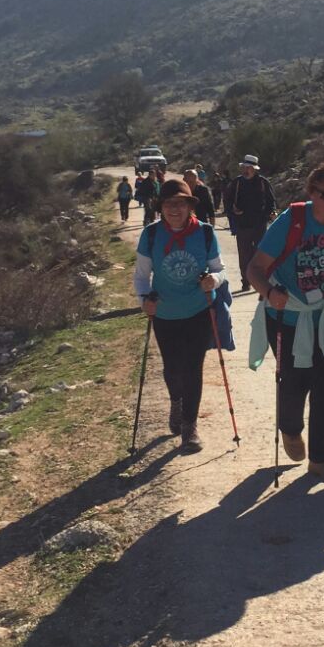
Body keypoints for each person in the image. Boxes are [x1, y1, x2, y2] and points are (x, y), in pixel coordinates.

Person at [247, 161, 324, 480]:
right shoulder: (294, 220)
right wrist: (268, 291)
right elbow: (255, 268)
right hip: (288, 318)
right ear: (312, 193)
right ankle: (290, 428)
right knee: (293, 384)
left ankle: (321, 457)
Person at [134, 179, 228, 453]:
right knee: (172, 368)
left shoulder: (206, 233)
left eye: (180, 203)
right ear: (161, 207)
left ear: (189, 206)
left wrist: (214, 280)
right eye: (168, 203)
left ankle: (190, 427)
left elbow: (219, 269)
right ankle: (176, 401)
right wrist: (144, 301)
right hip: (164, 313)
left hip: (198, 311)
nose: (174, 209)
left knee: (192, 368)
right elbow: (141, 277)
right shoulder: (151, 235)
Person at [227, 154, 277, 277]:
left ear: (254, 169)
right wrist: (233, 211)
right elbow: (228, 201)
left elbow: (271, 201)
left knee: (260, 253)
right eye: (244, 167)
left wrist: (270, 213)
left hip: (260, 225)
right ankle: (245, 280)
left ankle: (261, 279)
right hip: (242, 225)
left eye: (248, 168)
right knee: (244, 254)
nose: (246, 170)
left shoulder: (263, 182)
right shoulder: (237, 182)